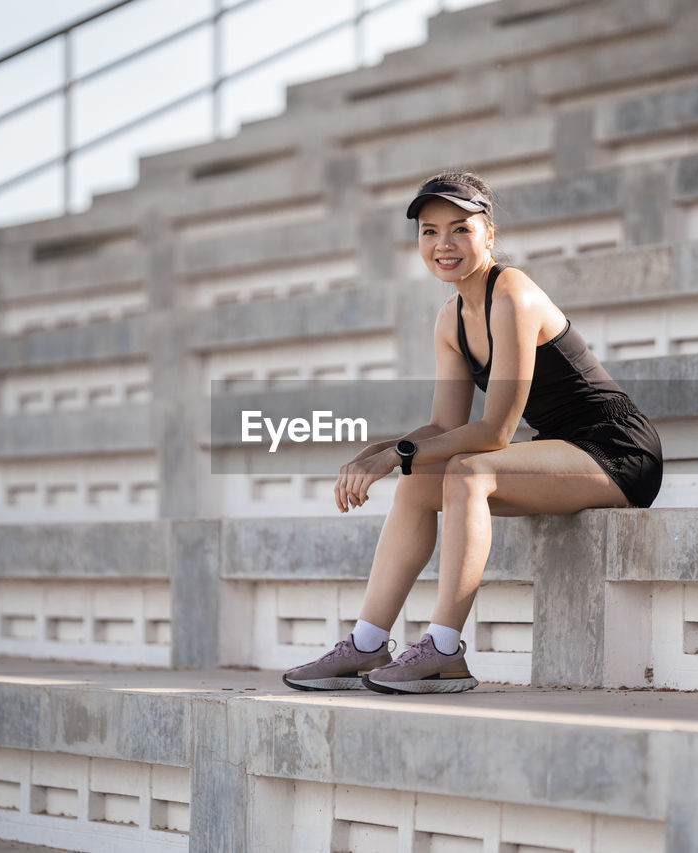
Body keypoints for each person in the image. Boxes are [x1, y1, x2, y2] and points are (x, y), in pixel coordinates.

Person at [282, 168, 663, 695]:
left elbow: (495, 430)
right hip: (558, 453)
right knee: (419, 478)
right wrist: (385, 450)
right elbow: (445, 425)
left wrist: (399, 452)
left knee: (466, 469)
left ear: (489, 234)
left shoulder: (513, 293)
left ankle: (443, 650)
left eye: (460, 228)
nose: (444, 243)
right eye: (430, 231)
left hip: (617, 450)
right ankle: (366, 644)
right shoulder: (451, 318)